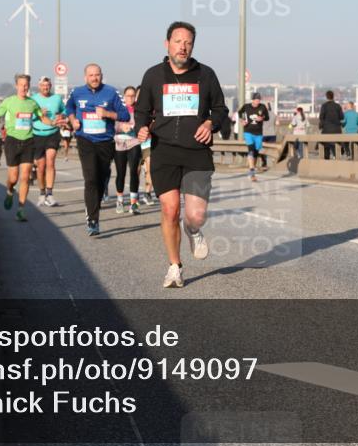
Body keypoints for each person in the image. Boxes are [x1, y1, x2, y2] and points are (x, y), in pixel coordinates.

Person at [135, 21, 228, 289]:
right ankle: (175, 266)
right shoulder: (153, 75)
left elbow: (220, 109)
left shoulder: (205, 75)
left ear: (192, 46)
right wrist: (141, 128)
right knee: (170, 209)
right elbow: (142, 110)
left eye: (188, 42)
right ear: (167, 44)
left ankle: (194, 230)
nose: (183, 46)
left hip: (197, 152)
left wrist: (211, 124)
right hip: (164, 149)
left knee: (196, 215)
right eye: (178, 41)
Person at [65, 64, 130, 236]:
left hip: (105, 142)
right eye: (91, 75)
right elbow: (69, 108)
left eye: (97, 75)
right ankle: (93, 220)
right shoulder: (77, 92)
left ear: (102, 76)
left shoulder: (111, 92)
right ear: (85, 77)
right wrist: (73, 120)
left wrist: (108, 114)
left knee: (101, 179)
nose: (94, 78)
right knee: (91, 178)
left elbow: (125, 115)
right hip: (85, 139)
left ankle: (95, 205)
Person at [0, 74, 43, 222]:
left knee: (25, 177)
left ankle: (21, 209)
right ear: (16, 86)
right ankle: (10, 191)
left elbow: (42, 117)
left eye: (26, 85)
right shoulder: (9, 102)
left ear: (29, 86)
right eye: (21, 84)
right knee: (13, 178)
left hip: (28, 141)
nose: (24, 87)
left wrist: (54, 122)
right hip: (12, 141)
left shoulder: (33, 103)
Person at [31, 76, 67, 206]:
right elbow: (28, 115)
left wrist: (62, 115)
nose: (45, 87)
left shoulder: (56, 98)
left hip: (53, 133)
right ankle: (42, 193)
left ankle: (50, 194)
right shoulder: (33, 99)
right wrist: (38, 113)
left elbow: (65, 110)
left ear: (50, 86)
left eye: (47, 85)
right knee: (40, 167)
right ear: (39, 86)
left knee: (50, 161)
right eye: (43, 85)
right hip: (37, 134)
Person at [113, 86, 143, 215]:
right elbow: (111, 125)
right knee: (121, 173)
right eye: (128, 95)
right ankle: (119, 200)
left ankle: (133, 203)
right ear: (124, 96)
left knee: (134, 172)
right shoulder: (118, 109)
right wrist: (121, 126)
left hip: (134, 142)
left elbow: (144, 124)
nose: (130, 98)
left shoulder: (139, 110)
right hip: (119, 143)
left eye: (132, 95)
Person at [238, 92, 269, 181]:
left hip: (258, 133)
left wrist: (262, 118)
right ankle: (252, 172)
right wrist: (242, 121)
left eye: (259, 100)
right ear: (252, 100)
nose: (257, 101)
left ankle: (252, 168)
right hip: (248, 132)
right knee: (251, 151)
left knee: (256, 152)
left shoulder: (262, 107)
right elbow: (240, 112)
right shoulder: (246, 106)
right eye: (256, 100)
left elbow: (267, 117)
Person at [318, 90, 343, 160]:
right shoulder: (337, 106)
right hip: (336, 129)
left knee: (326, 146)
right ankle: (336, 158)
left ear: (326, 97)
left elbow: (321, 117)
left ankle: (327, 161)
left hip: (326, 129)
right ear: (333, 96)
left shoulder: (324, 106)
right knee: (336, 146)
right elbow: (342, 117)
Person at [260, 103, 277, 170]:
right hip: (272, 133)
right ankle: (273, 161)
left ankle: (264, 162)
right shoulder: (273, 114)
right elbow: (276, 123)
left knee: (262, 149)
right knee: (272, 149)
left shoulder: (262, 114)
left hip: (264, 134)